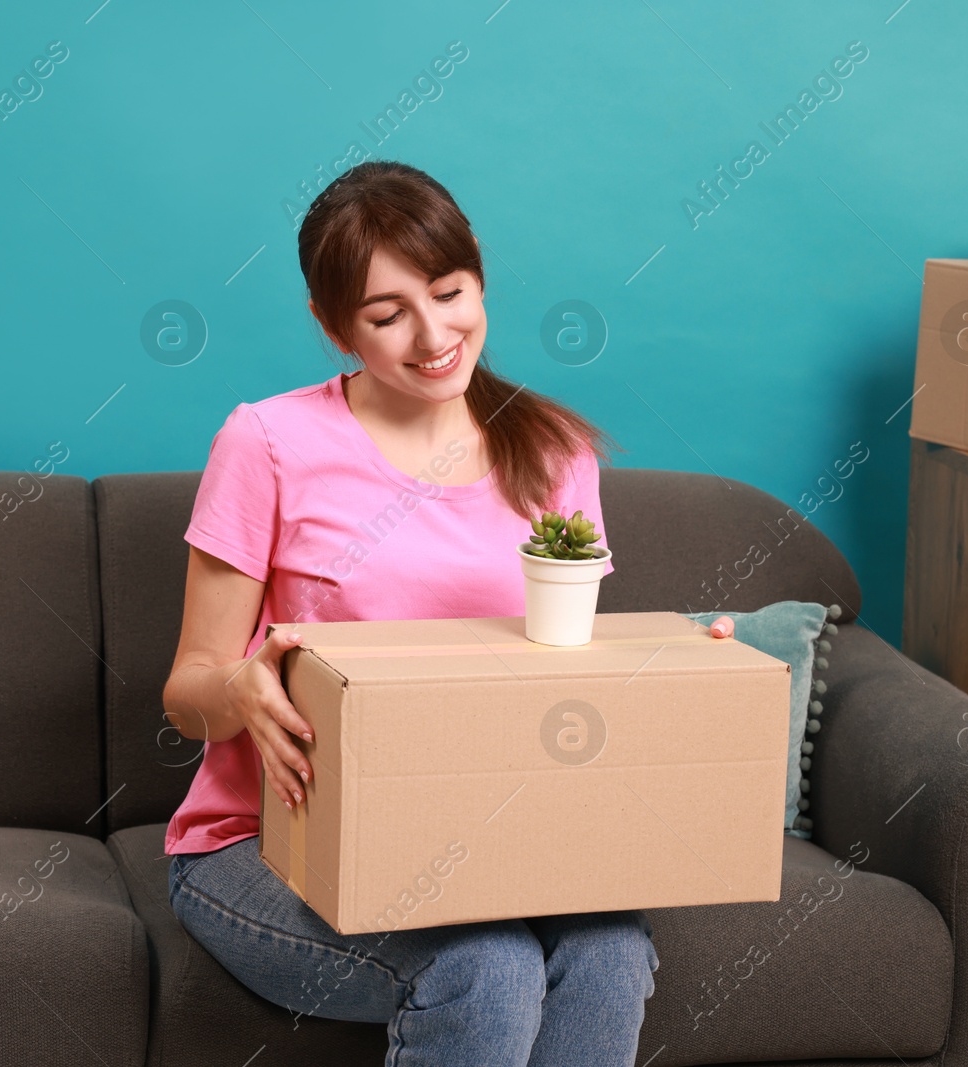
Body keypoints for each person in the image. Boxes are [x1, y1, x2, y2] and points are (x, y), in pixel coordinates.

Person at [160, 159, 734, 1067]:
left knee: (612, 951)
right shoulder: (267, 442)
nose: (433, 335)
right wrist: (239, 687)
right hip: (267, 843)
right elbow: (187, 693)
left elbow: (566, 679)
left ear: (479, 278)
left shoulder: (552, 453)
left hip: (492, 841)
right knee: (486, 963)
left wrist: (674, 673)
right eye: (387, 315)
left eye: (449, 292)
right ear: (333, 325)